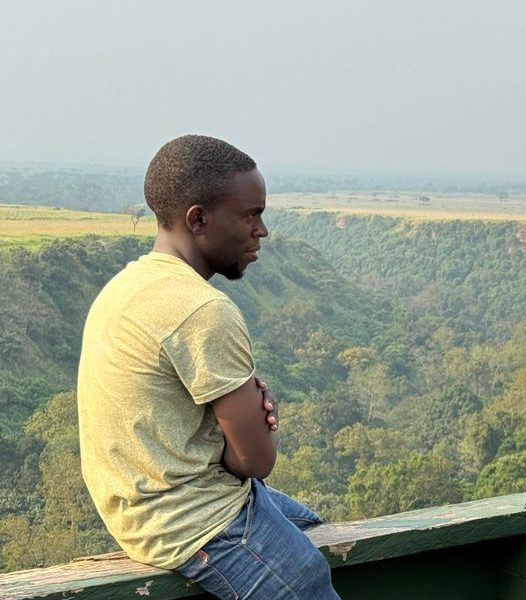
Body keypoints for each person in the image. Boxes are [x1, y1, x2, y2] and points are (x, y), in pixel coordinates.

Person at [77, 134, 341, 600]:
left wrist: (232, 426)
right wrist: (254, 419)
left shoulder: (126, 285)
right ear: (197, 219)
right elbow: (256, 461)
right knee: (308, 577)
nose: (262, 231)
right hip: (189, 520)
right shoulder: (202, 310)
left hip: (134, 508)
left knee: (312, 525)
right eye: (251, 215)